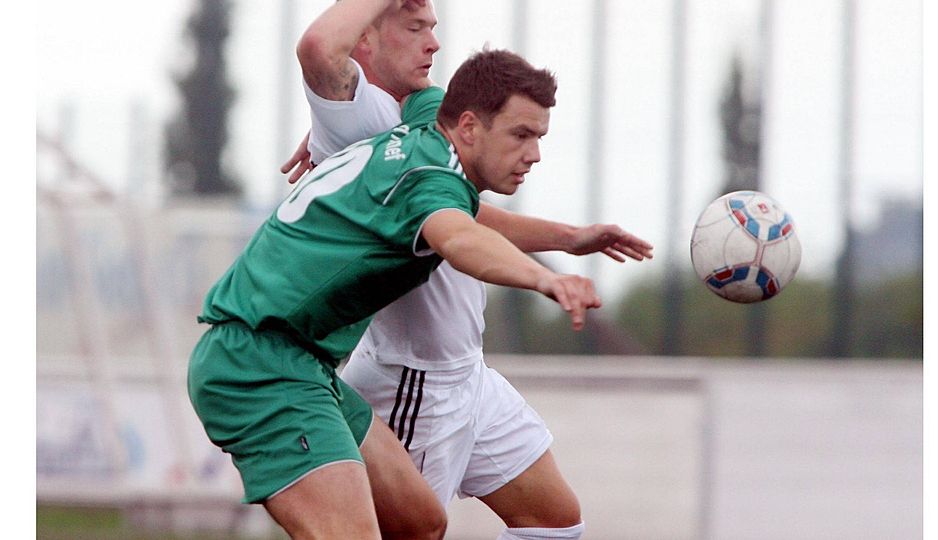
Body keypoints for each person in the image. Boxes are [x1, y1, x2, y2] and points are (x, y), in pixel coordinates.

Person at [188, 48, 602, 539]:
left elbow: (415, 95)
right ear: (469, 127)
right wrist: (545, 279)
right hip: (258, 367)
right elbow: (460, 238)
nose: (533, 153)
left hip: (307, 369)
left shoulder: (428, 126)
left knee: (424, 523)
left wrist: (568, 239)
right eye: (521, 135)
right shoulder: (430, 180)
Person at [283, 1, 655, 539]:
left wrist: (571, 239)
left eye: (434, 29)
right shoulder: (359, 124)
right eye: (415, 28)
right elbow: (319, 50)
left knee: (554, 524)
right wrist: (543, 278)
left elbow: (465, 212)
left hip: (468, 377)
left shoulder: (419, 113)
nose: (434, 43)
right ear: (365, 38)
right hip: (415, 381)